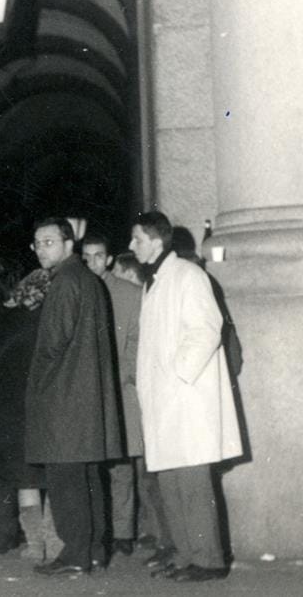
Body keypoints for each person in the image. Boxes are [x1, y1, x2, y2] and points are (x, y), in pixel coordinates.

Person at [129, 211, 241, 583]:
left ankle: (209, 560)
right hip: (165, 403)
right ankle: (183, 554)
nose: (131, 246)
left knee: (192, 483)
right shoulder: (155, 282)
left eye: (137, 240)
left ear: (157, 242)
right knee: (171, 482)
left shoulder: (189, 276)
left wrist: (177, 375)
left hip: (187, 401)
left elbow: (206, 329)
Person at [25, 217, 122, 576]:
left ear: (69, 245)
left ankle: (75, 554)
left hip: (62, 399)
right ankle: (94, 551)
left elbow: (53, 344)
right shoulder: (88, 280)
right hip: (84, 400)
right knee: (87, 477)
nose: (40, 249)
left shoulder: (64, 282)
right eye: (37, 243)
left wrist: (37, 387)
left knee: (66, 480)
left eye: (49, 241)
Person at [82, 234, 170, 560]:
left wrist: (127, 373)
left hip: (121, 389)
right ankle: (103, 531)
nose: (92, 261)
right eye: (87, 255)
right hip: (87, 392)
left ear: (108, 259)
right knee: (96, 464)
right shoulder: (75, 290)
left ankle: (124, 533)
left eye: (98, 255)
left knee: (124, 465)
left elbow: (138, 340)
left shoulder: (130, 294)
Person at [0, 259, 48, 559]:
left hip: (12, 409)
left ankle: (34, 544)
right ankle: (44, 543)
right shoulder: (44, 322)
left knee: (20, 477)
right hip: (35, 408)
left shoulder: (12, 321)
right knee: (36, 478)